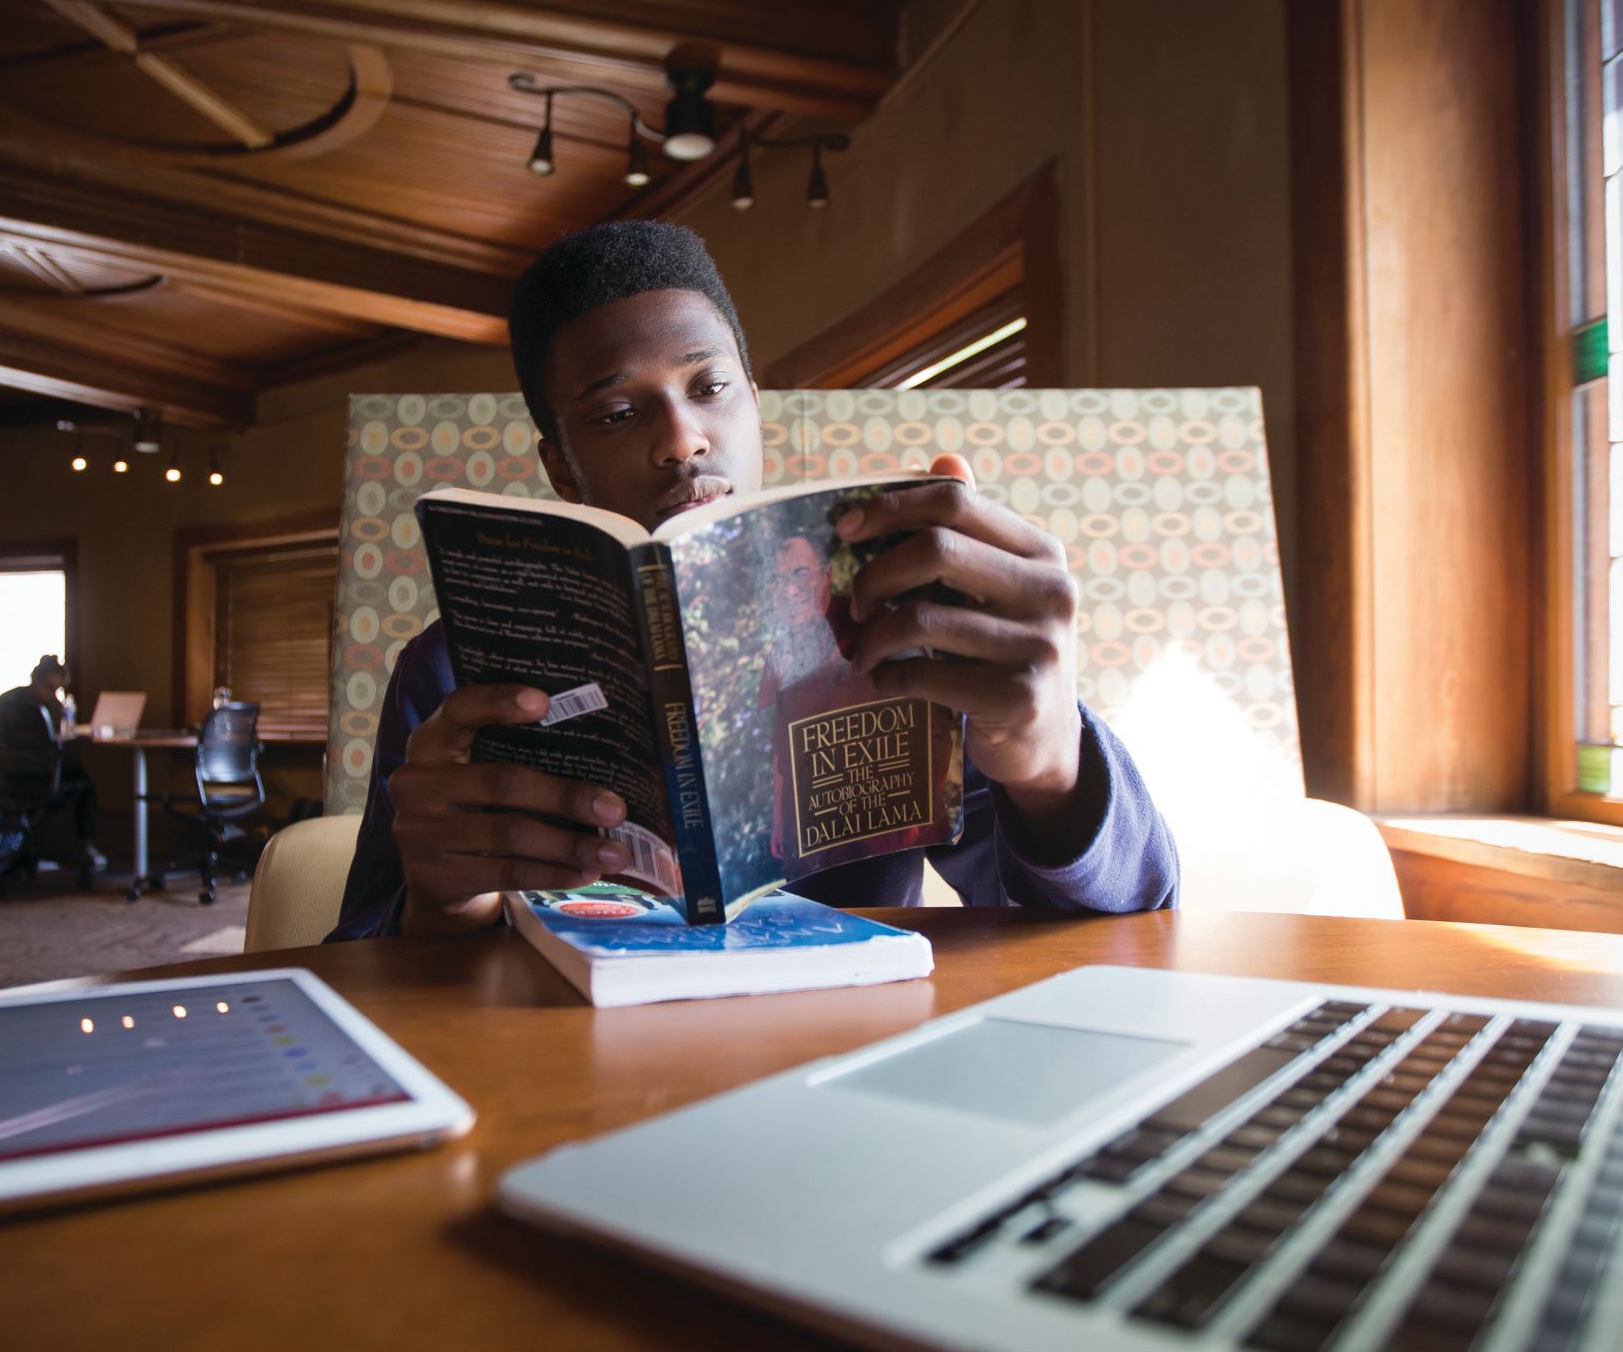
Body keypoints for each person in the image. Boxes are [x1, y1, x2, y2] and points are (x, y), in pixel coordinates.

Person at [331, 220, 1178, 938]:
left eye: (711, 387)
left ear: (756, 405)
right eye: (620, 414)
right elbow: (360, 961)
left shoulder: (905, 627)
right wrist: (444, 907)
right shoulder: (450, 675)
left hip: (846, 1064)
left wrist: (1054, 771)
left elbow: (1126, 924)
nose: (683, 438)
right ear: (561, 466)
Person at [0, 654, 107, 871]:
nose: (54, 694)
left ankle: (28, 849)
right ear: (40, 681)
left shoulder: (4, 700)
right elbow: (62, 739)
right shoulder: (45, 708)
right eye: (53, 689)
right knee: (84, 782)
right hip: (38, 776)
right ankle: (85, 844)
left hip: (5, 776)